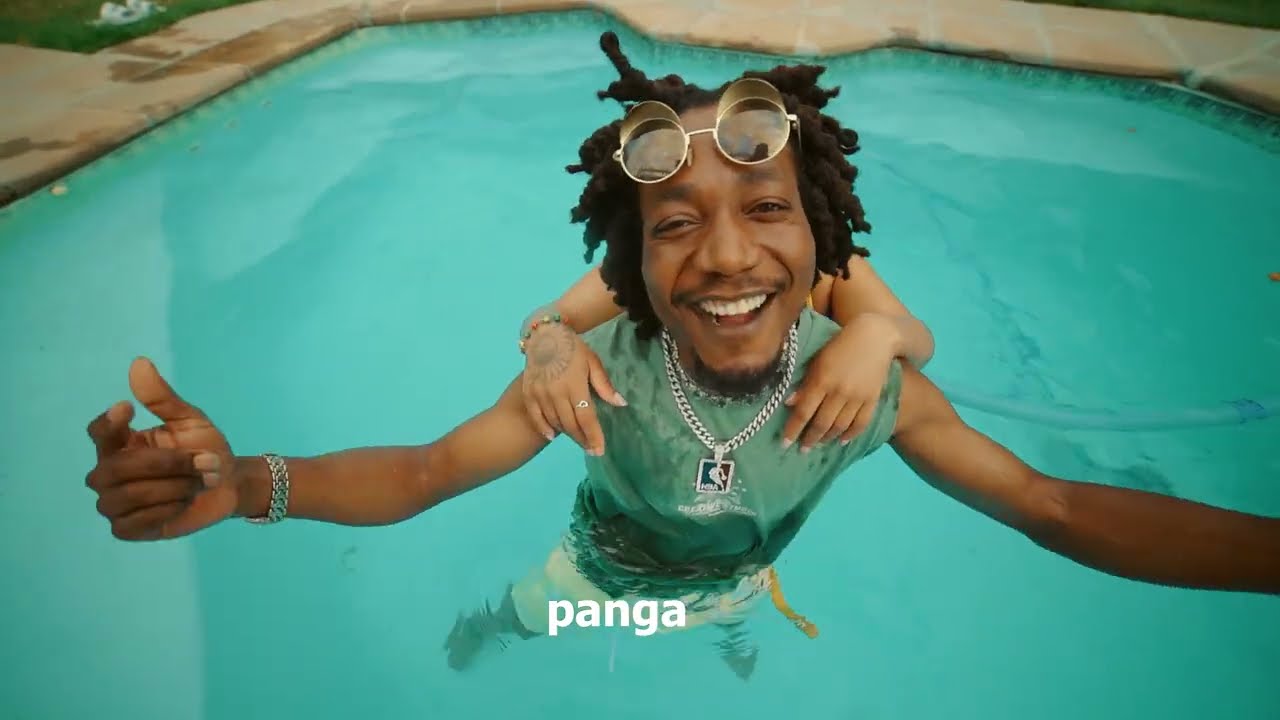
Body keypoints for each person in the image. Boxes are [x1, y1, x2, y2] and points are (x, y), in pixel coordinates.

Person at [83, 32, 1279, 681]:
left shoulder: (871, 389)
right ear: (631, 266)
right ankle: (498, 626)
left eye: (764, 211)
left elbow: (1052, 505)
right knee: (538, 617)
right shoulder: (592, 378)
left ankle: (725, 625)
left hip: (738, 566)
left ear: (817, 239)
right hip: (597, 562)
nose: (724, 255)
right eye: (672, 226)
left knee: (727, 617)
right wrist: (252, 485)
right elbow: (428, 471)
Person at [517, 253, 935, 459]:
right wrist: (548, 341)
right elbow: (553, 315)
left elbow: (917, 342)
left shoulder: (831, 270)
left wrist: (880, 334)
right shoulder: (655, 264)